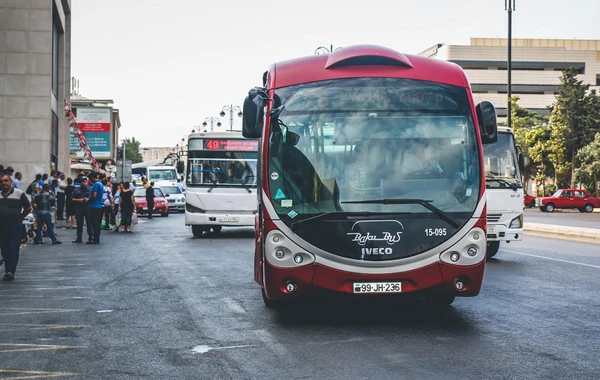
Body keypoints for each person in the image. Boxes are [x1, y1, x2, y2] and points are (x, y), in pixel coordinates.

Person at [0, 173, 32, 281]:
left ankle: (10, 271)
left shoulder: (19, 194)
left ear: (10, 182)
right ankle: (7, 269)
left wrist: (20, 217)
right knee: (5, 249)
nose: (4, 183)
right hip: (2, 227)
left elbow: (28, 208)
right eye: (2, 181)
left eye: (6, 181)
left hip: (15, 226)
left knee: (13, 248)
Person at [72, 177, 92, 243]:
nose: (84, 183)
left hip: (87, 208)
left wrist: (88, 199)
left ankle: (90, 237)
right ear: (81, 182)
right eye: (83, 182)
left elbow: (93, 197)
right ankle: (79, 237)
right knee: (79, 224)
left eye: (85, 182)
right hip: (79, 208)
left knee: (89, 223)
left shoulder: (90, 189)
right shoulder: (76, 190)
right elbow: (72, 199)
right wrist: (78, 200)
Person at [87, 172, 104, 244]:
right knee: (97, 223)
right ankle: (97, 238)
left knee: (94, 223)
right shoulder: (101, 184)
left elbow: (94, 195)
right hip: (99, 206)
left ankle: (95, 239)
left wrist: (88, 201)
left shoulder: (96, 184)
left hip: (94, 206)